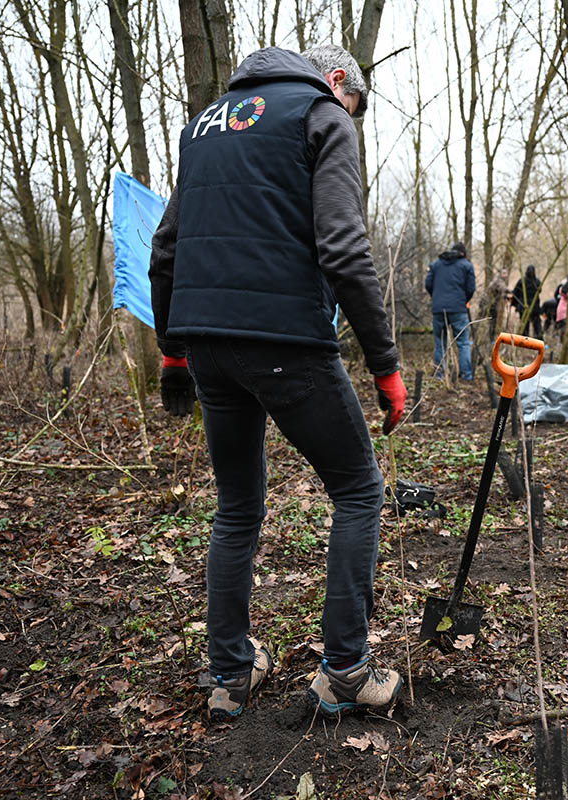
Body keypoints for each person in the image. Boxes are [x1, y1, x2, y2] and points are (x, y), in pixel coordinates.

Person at [149, 45, 405, 720]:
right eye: (357, 106)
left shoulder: (204, 126)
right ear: (339, 82)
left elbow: (167, 247)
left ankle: (231, 672)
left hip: (207, 343)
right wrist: (385, 365)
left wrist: (173, 354)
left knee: (236, 506)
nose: (353, 119)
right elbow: (345, 249)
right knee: (357, 488)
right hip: (284, 342)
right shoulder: (323, 118)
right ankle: (347, 670)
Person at [425, 242, 476, 380]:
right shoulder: (466, 265)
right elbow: (471, 288)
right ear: (463, 254)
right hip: (459, 309)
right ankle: (466, 375)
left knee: (440, 342)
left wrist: (437, 298)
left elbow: (428, 284)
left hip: (438, 309)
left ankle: (440, 375)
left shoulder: (436, 265)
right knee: (463, 343)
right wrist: (463, 300)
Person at [509, 264, 543, 337]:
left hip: (524, 307)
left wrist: (514, 304)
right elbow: (540, 291)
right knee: (537, 326)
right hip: (534, 307)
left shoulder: (522, 281)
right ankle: (540, 341)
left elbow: (515, 293)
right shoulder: (537, 282)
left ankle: (525, 343)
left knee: (525, 326)